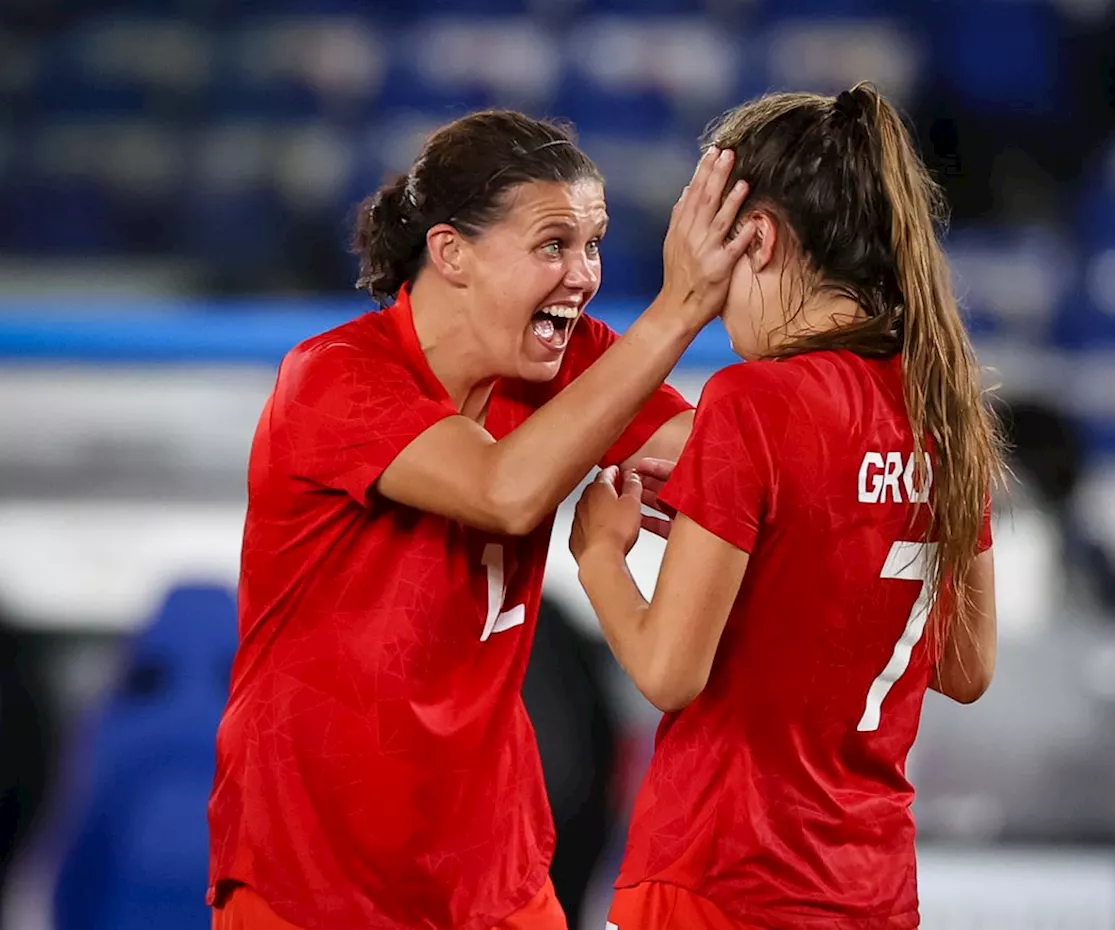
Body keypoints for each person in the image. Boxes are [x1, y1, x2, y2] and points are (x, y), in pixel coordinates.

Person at [207, 110, 755, 930]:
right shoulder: (333, 379)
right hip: (315, 879)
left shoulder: (569, 365)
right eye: (553, 245)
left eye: (594, 244)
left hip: (491, 874)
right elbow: (505, 489)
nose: (583, 275)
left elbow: (728, 465)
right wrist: (677, 312)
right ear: (450, 252)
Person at [569, 83, 1005, 930]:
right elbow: (966, 666)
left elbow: (667, 670)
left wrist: (598, 557)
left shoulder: (752, 401)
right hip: (870, 893)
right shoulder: (941, 409)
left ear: (757, 239)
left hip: (719, 879)